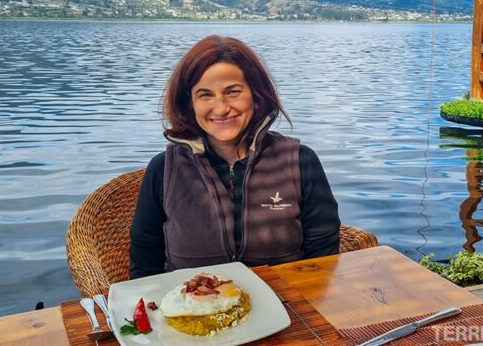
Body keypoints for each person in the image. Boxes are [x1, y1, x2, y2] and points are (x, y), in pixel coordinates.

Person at [129, 35, 340, 279]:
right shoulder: (164, 168)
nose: (220, 108)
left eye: (233, 92)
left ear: (256, 95)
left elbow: (324, 256)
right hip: (188, 310)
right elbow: (144, 264)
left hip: (287, 308)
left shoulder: (300, 161)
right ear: (190, 104)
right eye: (205, 95)